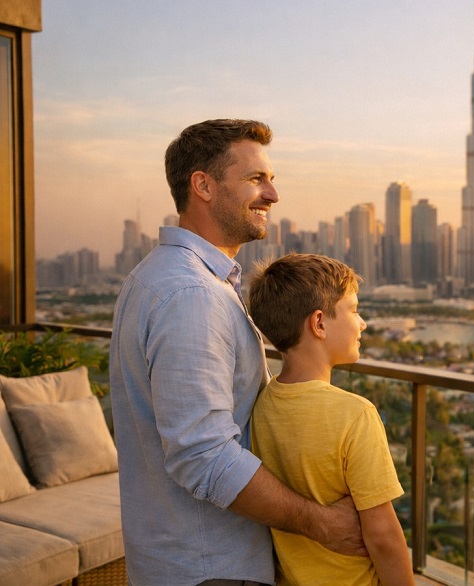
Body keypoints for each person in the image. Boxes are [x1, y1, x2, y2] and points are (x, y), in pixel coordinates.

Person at [110, 119, 363, 586]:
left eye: (271, 179)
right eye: (255, 179)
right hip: (211, 568)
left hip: (183, 561)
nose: (272, 194)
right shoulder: (190, 294)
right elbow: (203, 455)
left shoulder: (160, 278)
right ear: (202, 186)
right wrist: (321, 523)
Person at [248, 254, 415, 586]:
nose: (362, 322)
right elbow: (382, 536)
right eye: (353, 310)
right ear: (319, 323)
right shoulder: (356, 415)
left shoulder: (261, 405)